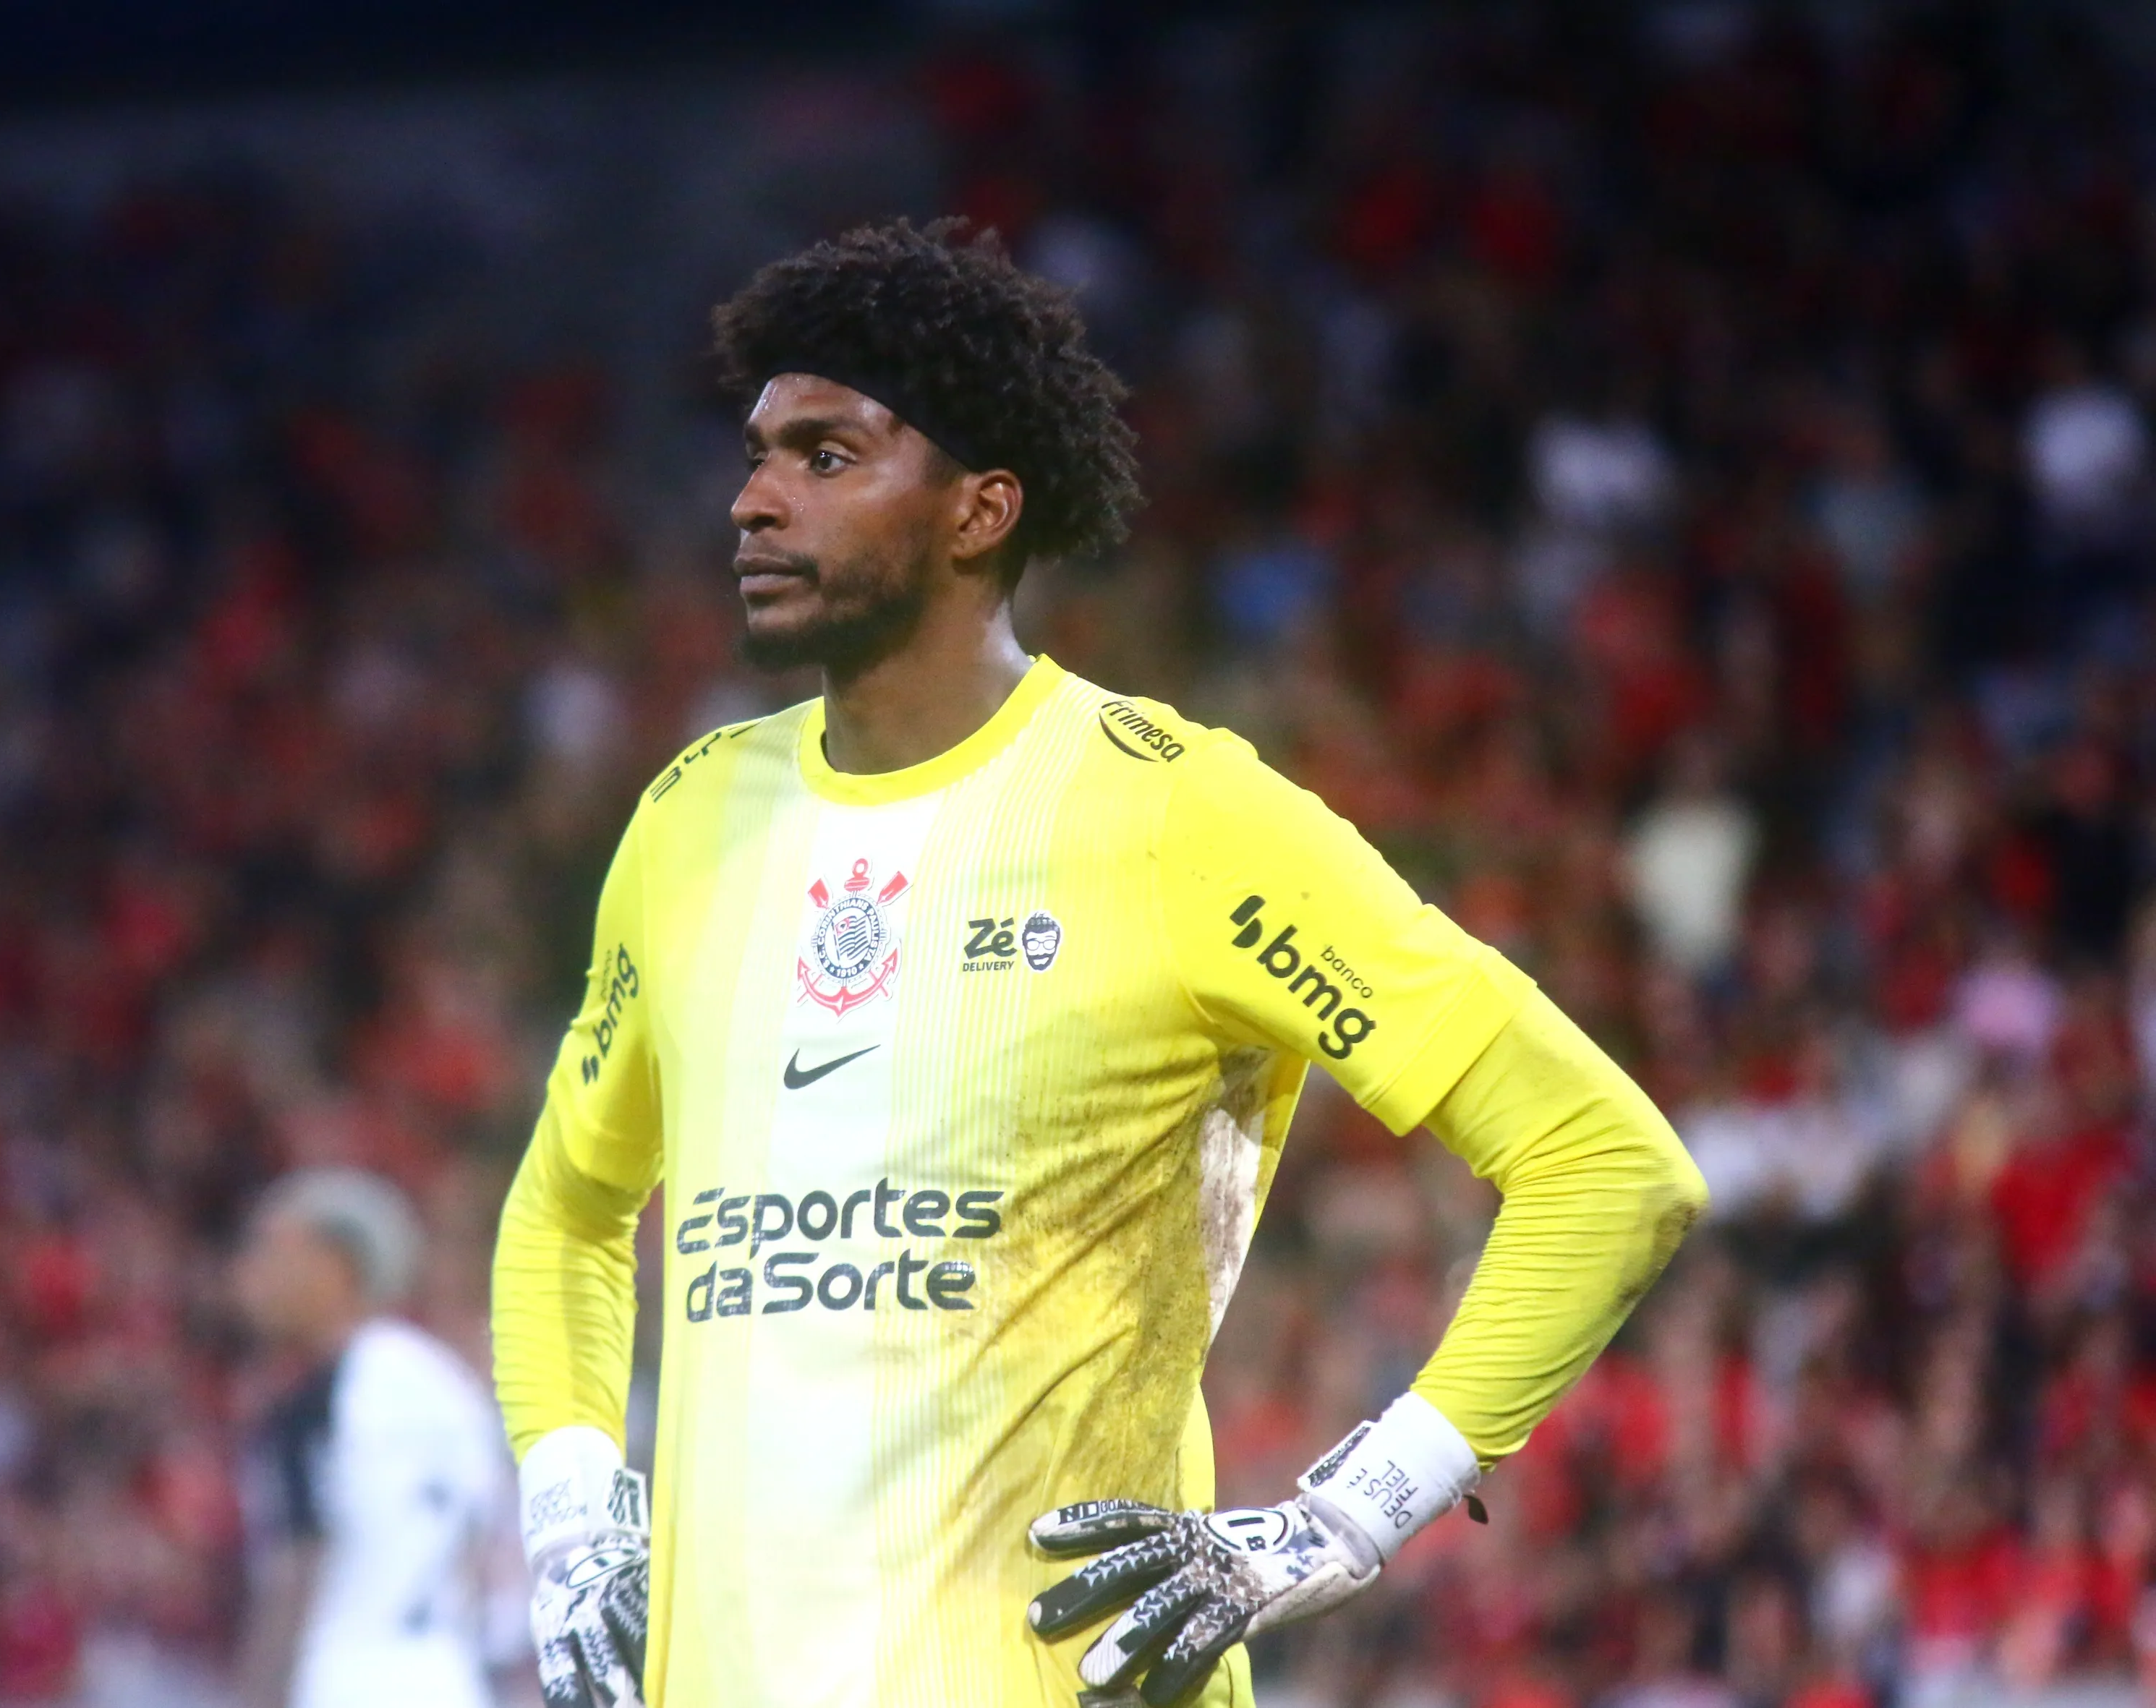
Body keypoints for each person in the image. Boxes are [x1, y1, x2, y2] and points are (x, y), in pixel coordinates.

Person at [490, 219, 1709, 1708]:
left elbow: (1605, 1162)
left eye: (824, 456)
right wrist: (572, 1517)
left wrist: (1332, 1520)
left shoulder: (1175, 810)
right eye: (754, 455)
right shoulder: (688, 819)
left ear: (978, 509)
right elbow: (565, 1208)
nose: (749, 502)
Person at [232, 1168, 519, 1708]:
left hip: (343, 1678)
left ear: (335, 1264)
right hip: (452, 1680)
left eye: (271, 1250)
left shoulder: (320, 1401)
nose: (250, 1274)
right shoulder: (445, 1385)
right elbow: (489, 1562)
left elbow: (298, 1570)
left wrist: (258, 1695)